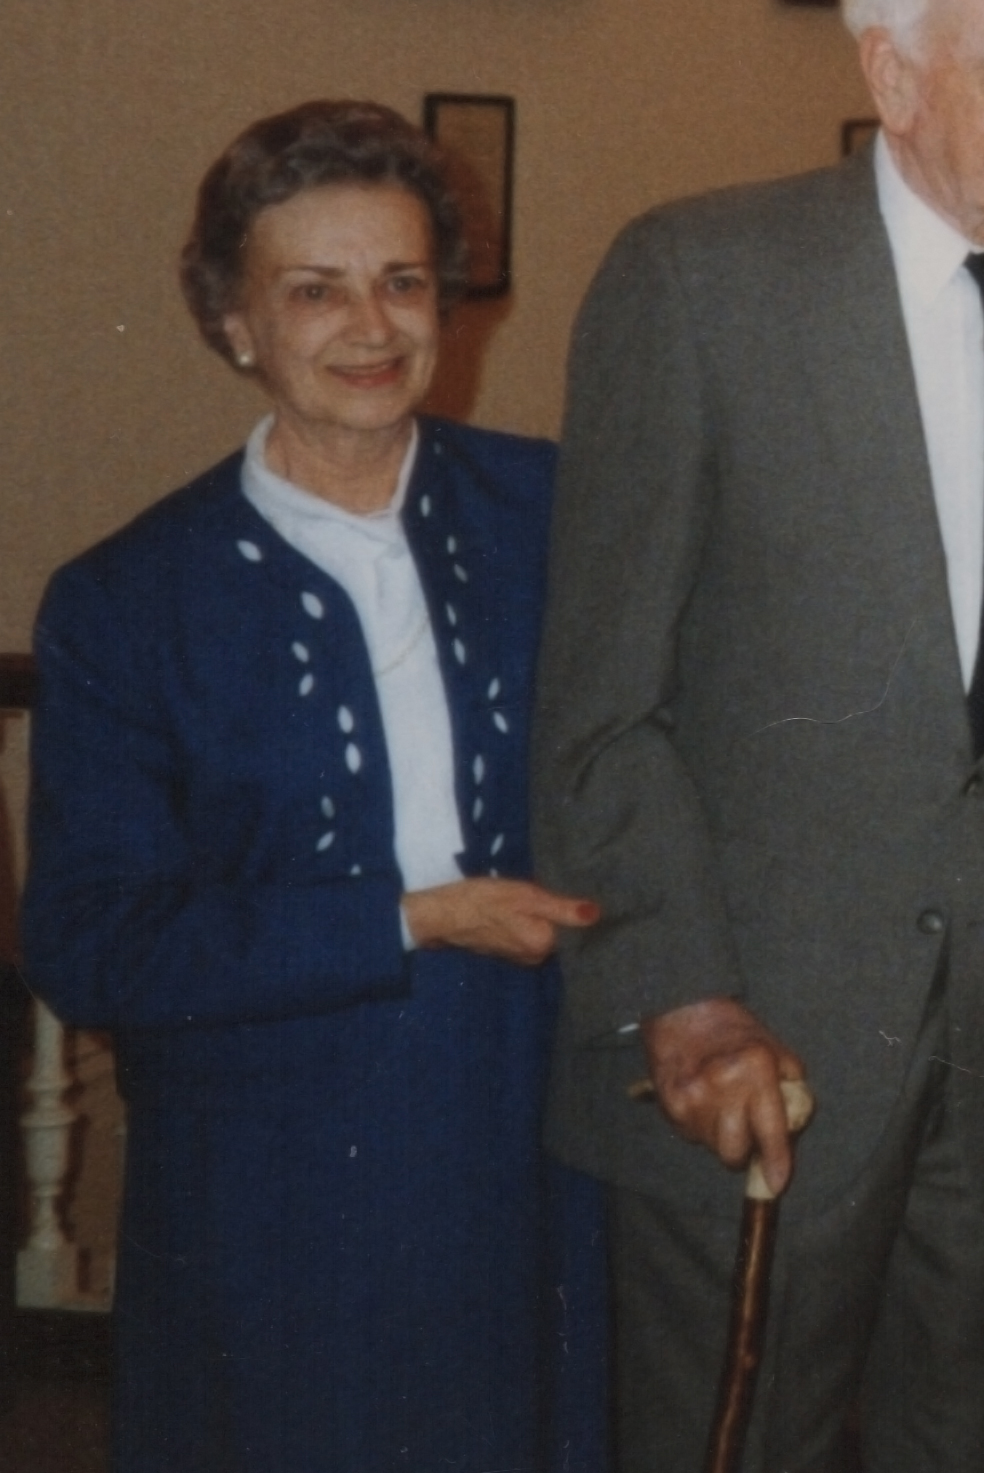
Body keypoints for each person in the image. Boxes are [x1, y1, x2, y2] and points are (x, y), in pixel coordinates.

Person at [533, 0, 984, 1472]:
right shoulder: (702, 285)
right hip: (760, 1044)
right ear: (893, 77)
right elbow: (601, 709)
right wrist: (682, 999)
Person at [21, 100, 607, 1473]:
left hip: (531, 1116)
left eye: (404, 283)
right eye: (315, 290)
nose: (372, 327)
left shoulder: (558, 513)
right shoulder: (125, 602)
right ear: (234, 320)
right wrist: (407, 918)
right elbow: (93, 940)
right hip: (273, 1165)